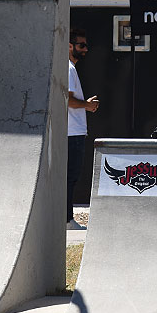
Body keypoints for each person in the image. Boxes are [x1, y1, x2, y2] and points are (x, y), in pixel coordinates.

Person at [66, 28, 98, 231]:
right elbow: (67, 99)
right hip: (71, 133)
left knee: (71, 177)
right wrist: (87, 105)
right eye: (81, 45)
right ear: (69, 46)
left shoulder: (70, 68)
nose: (85, 49)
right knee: (71, 177)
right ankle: (67, 220)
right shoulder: (68, 68)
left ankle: (66, 219)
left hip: (73, 131)